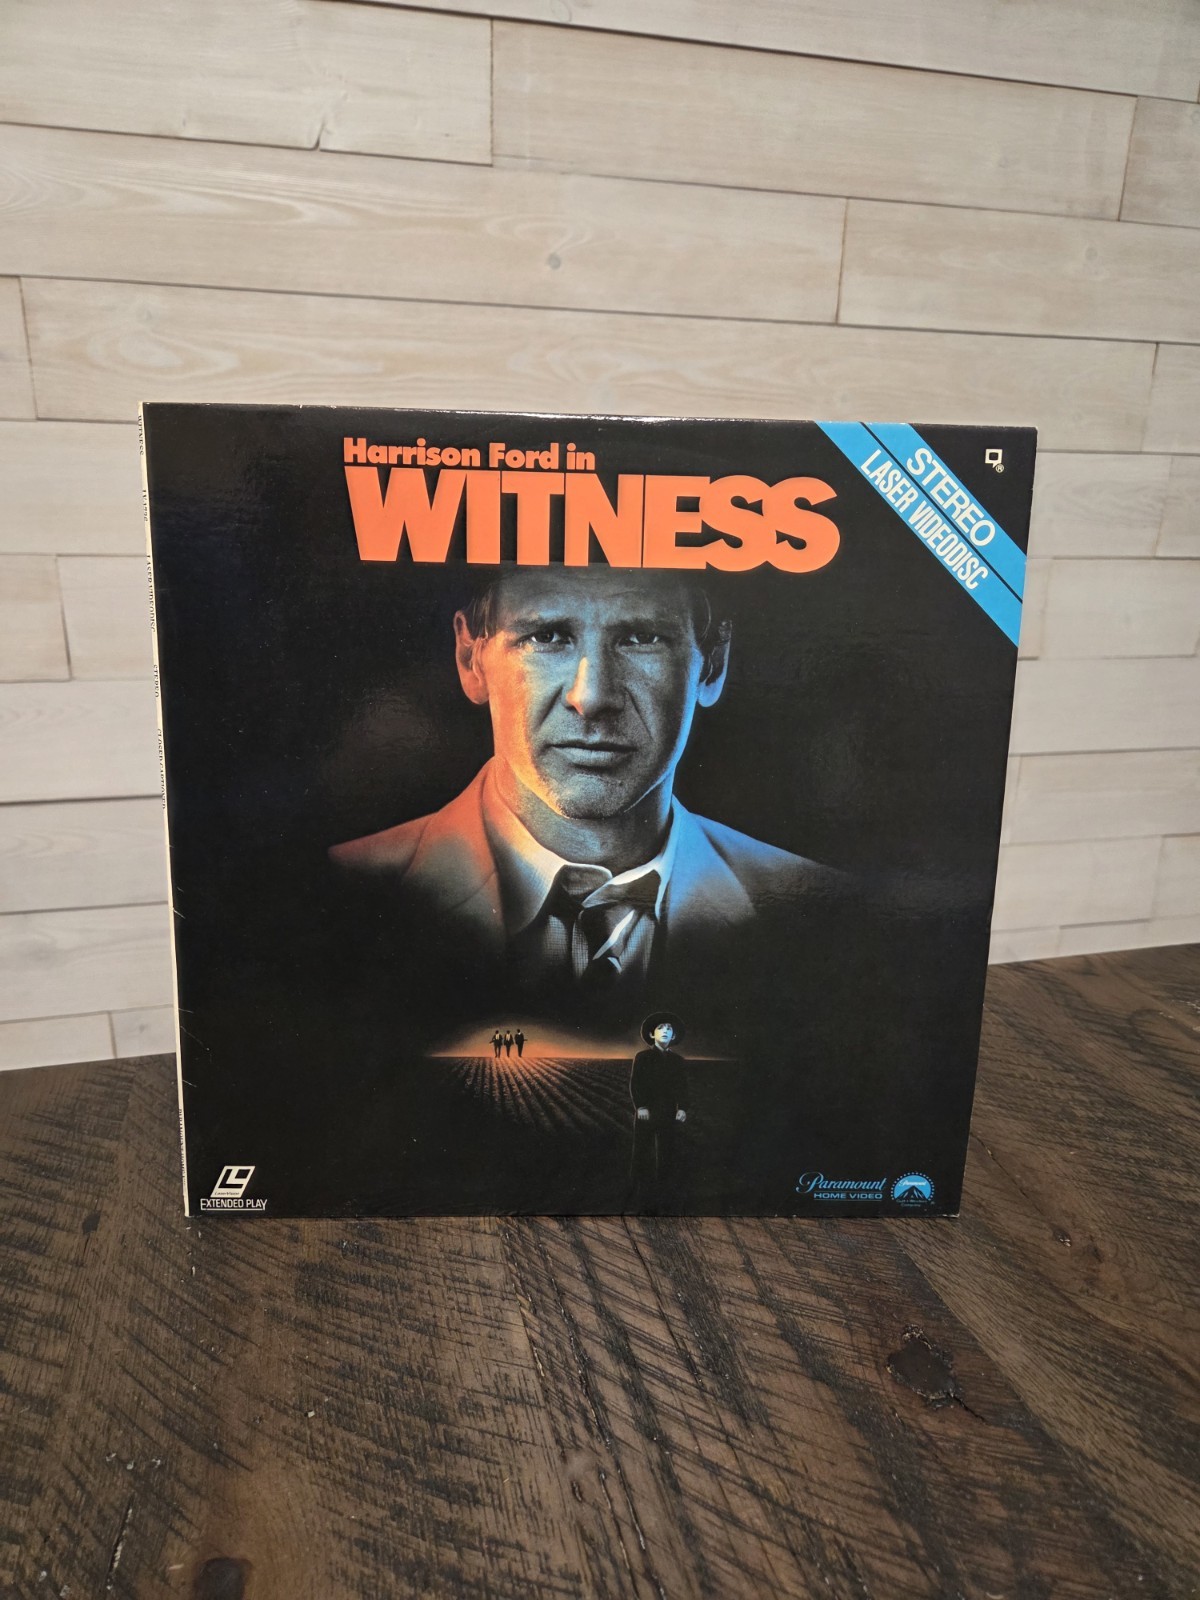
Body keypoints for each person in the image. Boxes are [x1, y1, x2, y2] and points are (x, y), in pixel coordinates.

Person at [329, 566, 839, 1007]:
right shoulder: (338, 897)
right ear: (471, 659)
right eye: (547, 636)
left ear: (713, 663)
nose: (591, 697)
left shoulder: (827, 914)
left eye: (641, 638)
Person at [630, 1010, 689, 1196]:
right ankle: (638, 1193)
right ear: (651, 1034)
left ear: (674, 1035)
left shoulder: (678, 1061)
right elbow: (636, 1084)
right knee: (642, 1152)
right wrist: (641, 1106)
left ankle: (663, 1194)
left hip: (669, 1112)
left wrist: (683, 1108)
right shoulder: (642, 1057)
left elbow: (682, 1087)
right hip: (646, 1112)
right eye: (660, 1028)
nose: (665, 1031)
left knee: (667, 1153)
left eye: (669, 1029)